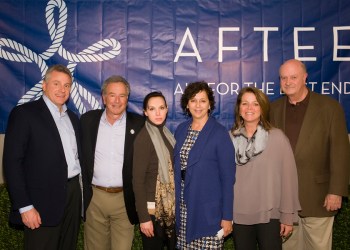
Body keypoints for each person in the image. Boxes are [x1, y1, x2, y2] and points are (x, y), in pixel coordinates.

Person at [270, 59, 350, 250]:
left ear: (305, 78)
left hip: (319, 196)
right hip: (284, 200)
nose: (288, 82)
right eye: (284, 78)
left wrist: (336, 191)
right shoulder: (273, 109)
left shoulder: (329, 107)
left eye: (293, 77)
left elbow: (340, 151)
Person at [3, 64, 82, 250]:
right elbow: (12, 163)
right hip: (41, 202)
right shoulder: (24, 114)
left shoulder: (73, 118)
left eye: (66, 85)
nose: (62, 90)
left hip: (72, 196)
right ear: (44, 86)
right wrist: (24, 206)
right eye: (56, 83)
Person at [230, 87, 301, 250]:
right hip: (239, 216)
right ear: (239, 109)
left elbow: (288, 179)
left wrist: (287, 216)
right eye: (245, 103)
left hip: (270, 216)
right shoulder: (229, 138)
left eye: (255, 104)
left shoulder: (277, 138)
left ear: (262, 108)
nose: (249, 108)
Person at [80, 75, 144, 250]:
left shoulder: (140, 124)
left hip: (124, 200)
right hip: (95, 198)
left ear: (127, 98)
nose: (117, 100)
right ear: (104, 97)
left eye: (122, 96)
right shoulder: (87, 121)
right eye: (112, 95)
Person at [174, 81, 235, 249]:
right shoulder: (181, 130)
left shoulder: (219, 133)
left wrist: (227, 216)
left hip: (209, 214)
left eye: (203, 100)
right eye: (193, 100)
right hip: (184, 209)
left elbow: (228, 180)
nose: (198, 105)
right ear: (187, 104)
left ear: (210, 104)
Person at [133, 91, 176, 249]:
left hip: (169, 208)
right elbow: (137, 181)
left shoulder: (166, 134)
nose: (158, 113)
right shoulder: (144, 138)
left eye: (161, 107)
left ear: (166, 109)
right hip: (153, 211)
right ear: (145, 112)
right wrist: (144, 218)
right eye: (152, 109)